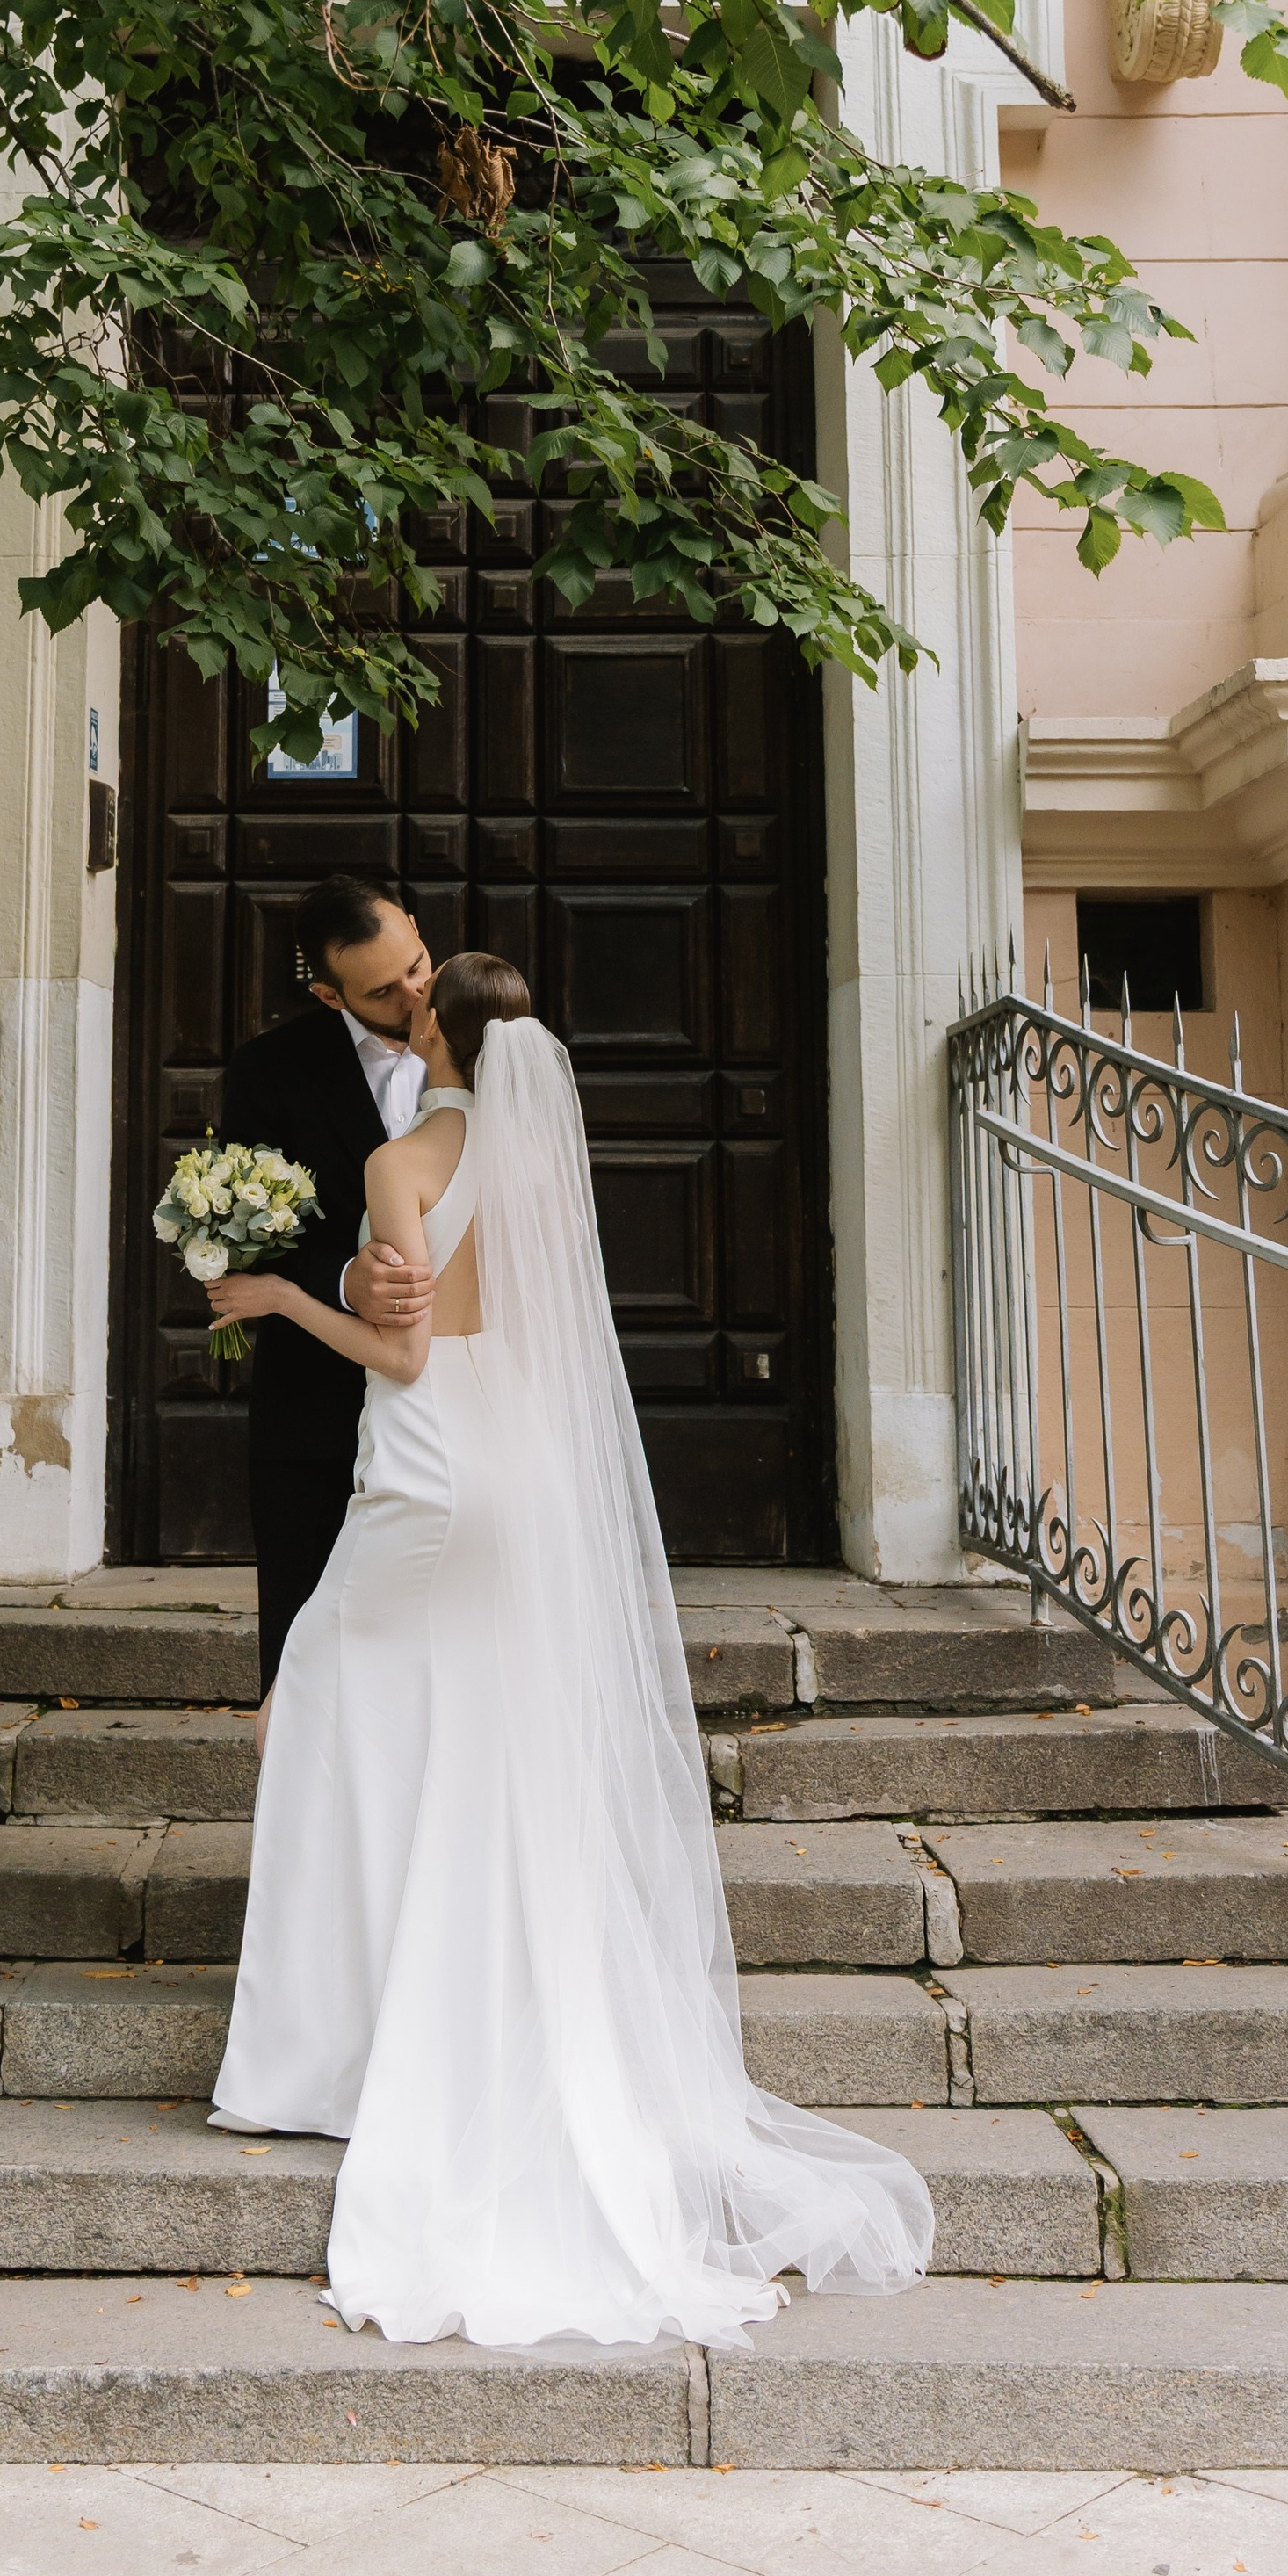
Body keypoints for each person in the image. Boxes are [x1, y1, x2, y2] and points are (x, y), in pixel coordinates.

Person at [201, 952, 935, 2351]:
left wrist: (285, 1297)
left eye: (414, 1002)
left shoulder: (401, 1161)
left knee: (309, 1703)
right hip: (523, 1476)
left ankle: (327, 2056)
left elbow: (407, 1356)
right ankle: (411, 2025)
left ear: (434, 1034)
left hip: (429, 1480)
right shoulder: (539, 1162)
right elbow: (507, 1322)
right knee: (455, 1736)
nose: (402, 1011)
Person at [217, 874, 437, 1711]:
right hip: (315, 1409)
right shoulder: (268, 1071)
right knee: (305, 1658)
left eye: (416, 966)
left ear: (415, 926)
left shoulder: (498, 1052)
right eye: (382, 991)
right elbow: (243, 1238)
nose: (413, 997)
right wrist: (344, 1280)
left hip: (457, 1411)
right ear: (328, 994)